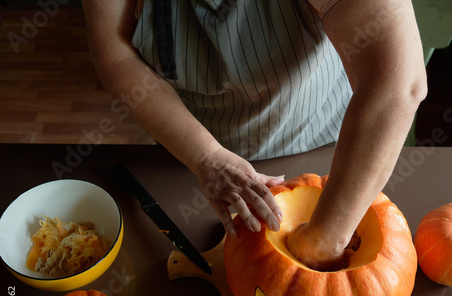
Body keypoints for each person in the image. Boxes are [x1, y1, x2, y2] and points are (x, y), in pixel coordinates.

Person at [81, 0, 427, 270]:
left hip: (318, 146)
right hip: (185, 150)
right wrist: (207, 157)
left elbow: (397, 85)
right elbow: (115, 56)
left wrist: (326, 241)